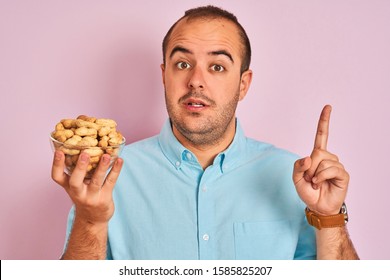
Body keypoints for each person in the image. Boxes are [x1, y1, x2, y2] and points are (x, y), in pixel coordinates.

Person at [52, 5, 359, 260]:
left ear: (243, 84)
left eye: (217, 67)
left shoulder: (297, 180)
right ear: (164, 75)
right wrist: (91, 219)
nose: (196, 80)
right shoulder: (107, 178)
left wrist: (329, 218)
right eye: (183, 63)